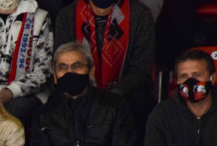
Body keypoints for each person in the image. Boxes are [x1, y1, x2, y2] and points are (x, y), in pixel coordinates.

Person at [54, 0, 155, 136]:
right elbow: (61, 63)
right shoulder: (67, 15)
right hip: (79, 86)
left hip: (124, 91)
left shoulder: (140, 15)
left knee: (140, 100)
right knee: (59, 99)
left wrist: (112, 94)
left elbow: (141, 69)